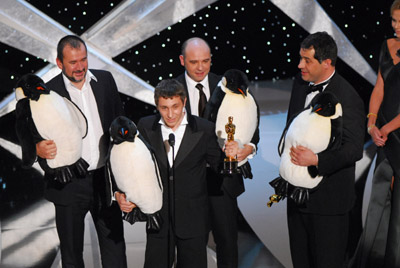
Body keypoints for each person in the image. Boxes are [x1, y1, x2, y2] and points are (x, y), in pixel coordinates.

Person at [36, 35, 127, 267]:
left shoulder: (105, 81)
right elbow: (33, 132)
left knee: (116, 254)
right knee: (72, 257)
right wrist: (38, 147)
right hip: (68, 184)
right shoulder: (46, 93)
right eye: (73, 62)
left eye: (83, 60)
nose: (80, 67)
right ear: (59, 63)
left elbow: (121, 124)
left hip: (104, 181)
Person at [116, 79, 222, 267]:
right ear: (157, 105)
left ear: (184, 102)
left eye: (175, 106)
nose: (170, 114)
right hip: (158, 218)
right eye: (164, 108)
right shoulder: (146, 126)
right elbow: (130, 165)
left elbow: (220, 167)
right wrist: (120, 194)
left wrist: (233, 155)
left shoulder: (204, 128)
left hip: (193, 219)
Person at [176, 37, 259, 268]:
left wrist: (247, 149)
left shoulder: (229, 85)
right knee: (191, 248)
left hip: (223, 179)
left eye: (206, 61)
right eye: (194, 62)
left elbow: (254, 131)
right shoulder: (171, 90)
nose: (201, 67)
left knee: (227, 244)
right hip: (188, 184)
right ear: (183, 61)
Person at [286, 31, 365, 268]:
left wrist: (317, 160)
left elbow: (353, 149)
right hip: (296, 198)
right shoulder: (300, 85)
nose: (300, 65)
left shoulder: (348, 97)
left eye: (307, 60)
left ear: (327, 62)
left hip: (329, 205)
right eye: (300, 58)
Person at [350, 1, 400, 267]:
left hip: (395, 135)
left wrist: (387, 128)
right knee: (378, 203)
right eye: (394, 21)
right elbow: (379, 88)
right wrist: (371, 124)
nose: (396, 27)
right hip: (385, 137)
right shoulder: (386, 46)